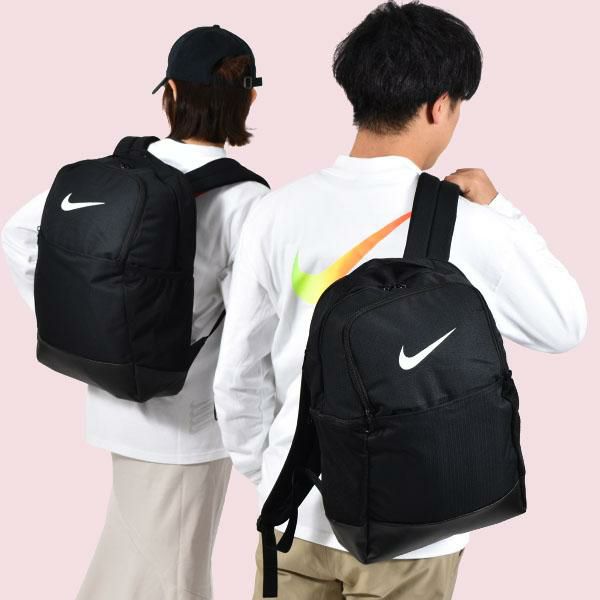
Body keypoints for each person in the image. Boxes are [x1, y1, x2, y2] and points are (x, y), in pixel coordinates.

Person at [212, 2, 587, 599]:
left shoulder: (275, 212)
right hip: (414, 533)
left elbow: (237, 377)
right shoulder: (467, 221)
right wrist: (501, 209)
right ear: (440, 106)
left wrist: (273, 472)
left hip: (294, 519)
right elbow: (564, 325)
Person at [2, 25, 269, 600]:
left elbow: (19, 236)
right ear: (248, 98)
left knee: (135, 565)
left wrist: (90, 326)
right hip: (187, 422)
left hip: (113, 399)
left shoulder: (122, 171)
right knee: (173, 579)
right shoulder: (246, 199)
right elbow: (256, 329)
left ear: (170, 92)